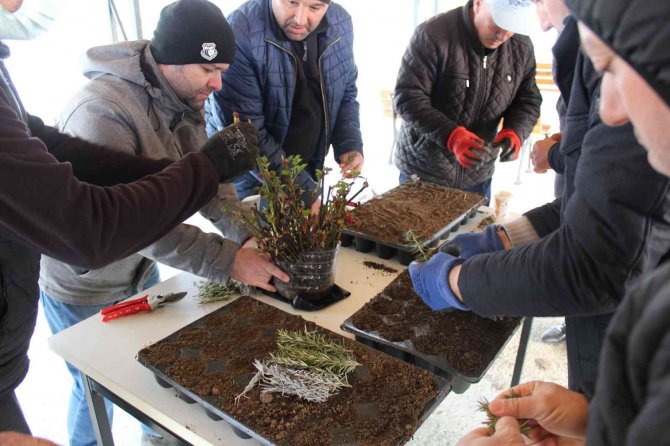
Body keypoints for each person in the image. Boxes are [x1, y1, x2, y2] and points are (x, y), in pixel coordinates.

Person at [0, 0, 260, 434]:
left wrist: (243, 227)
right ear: (174, 59)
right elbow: (97, 227)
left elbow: (180, 181)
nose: (217, 84)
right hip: (86, 286)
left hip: (135, 274)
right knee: (93, 388)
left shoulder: (182, 95)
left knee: (149, 384)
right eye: (207, 69)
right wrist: (225, 255)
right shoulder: (101, 109)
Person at [408, 0, 670, 398]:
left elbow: (594, 264)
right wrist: (507, 238)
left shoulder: (621, 37)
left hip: (632, 330)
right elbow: (591, 205)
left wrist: (454, 282)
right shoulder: (434, 35)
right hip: (433, 168)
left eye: (615, 72)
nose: (613, 112)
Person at [205, 0, 364, 208]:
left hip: (308, 168)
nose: (299, 19)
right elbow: (246, 136)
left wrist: (348, 142)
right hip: (253, 175)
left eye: (314, 8)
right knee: (260, 237)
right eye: (291, 2)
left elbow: (346, 91)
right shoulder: (240, 31)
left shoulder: (341, 22)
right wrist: (303, 194)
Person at [393, 0, 542, 202]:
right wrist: (451, 136)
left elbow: (528, 100)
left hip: (478, 175)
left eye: (511, 28)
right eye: (497, 24)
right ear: (478, 3)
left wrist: (515, 131)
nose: (503, 35)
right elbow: (407, 99)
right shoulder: (432, 34)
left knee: (471, 233)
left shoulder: (521, 46)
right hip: (424, 172)